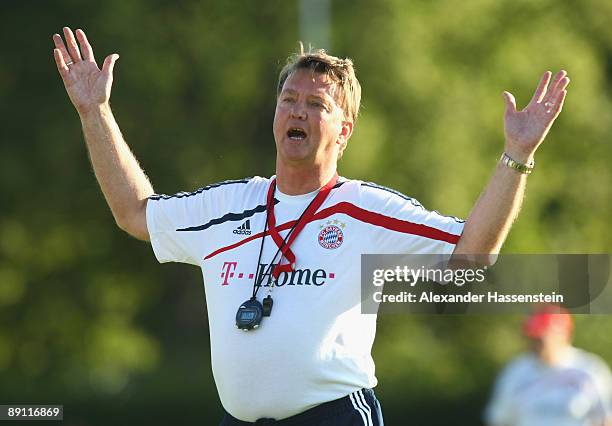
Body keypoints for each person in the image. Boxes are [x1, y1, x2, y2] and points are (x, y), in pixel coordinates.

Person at [52, 26, 569, 425]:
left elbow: (472, 257)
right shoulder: (231, 206)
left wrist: (516, 156)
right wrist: (94, 113)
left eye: (316, 104)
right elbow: (136, 213)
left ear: (344, 131)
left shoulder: (364, 210)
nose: (297, 110)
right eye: (288, 100)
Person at [484, 305, 612, 426]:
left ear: (563, 335)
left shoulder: (590, 370)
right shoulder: (516, 371)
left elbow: (607, 418)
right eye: (532, 338)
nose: (535, 345)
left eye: (541, 339)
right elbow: (499, 419)